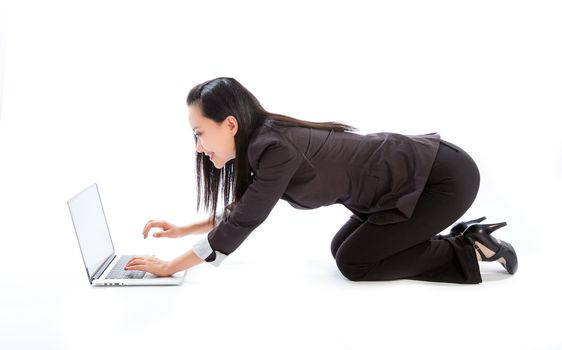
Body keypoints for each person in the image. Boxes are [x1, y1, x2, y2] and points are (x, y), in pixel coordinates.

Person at [125, 77, 518, 284]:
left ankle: (470, 248)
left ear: (230, 124)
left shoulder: (272, 146)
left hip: (441, 179)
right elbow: (245, 208)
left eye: (198, 133)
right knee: (342, 248)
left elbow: (245, 220)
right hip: (409, 181)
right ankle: (463, 244)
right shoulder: (264, 142)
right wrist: (183, 229)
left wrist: (172, 267)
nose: (198, 147)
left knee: (355, 261)